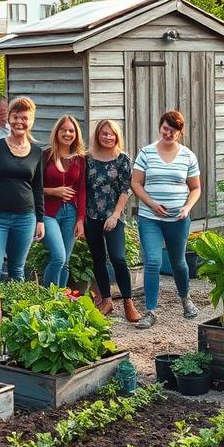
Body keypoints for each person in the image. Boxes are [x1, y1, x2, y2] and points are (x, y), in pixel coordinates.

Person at [130, 110, 201, 329]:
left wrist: (187, 207)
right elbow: (136, 183)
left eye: (174, 130)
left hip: (178, 219)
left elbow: (195, 188)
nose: (168, 133)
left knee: (178, 262)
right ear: (160, 127)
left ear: (180, 133)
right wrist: (151, 203)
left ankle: (185, 299)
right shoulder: (146, 153)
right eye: (165, 128)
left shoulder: (188, 156)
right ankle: (150, 311)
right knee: (152, 260)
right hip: (150, 217)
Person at [0, 97, 45, 281]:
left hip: (25, 218)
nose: (19, 122)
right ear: (9, 118)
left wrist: (40, 219)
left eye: (24, 118)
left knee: (17, 271)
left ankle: (13, 310)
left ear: (31, 121)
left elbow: (38, 187)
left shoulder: (37, 152)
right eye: (15, 117)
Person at [85, 119, 140, 322]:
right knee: (98, 259)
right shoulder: (87, 159)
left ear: (116, 136)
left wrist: (115, 215)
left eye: (111, 134)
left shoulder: (122, 159)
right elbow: (84, 188)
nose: (108, 137)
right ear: (98, 135)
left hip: (114, 217)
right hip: (92, 216)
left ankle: (128, 302)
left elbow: (125, 189)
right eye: (104, 133)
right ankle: (106, 301)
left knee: (118, 258)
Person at [41, 115, 86, 288]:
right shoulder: (45, 155)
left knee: (65, 261)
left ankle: (60, 303)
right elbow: (34, 187)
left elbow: (82, 190)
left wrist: (81, 219)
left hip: (71, 213)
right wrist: (54, 191)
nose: (67, 133)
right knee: (58, 257)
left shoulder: (80, 158)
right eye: (64, 130)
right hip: (49, 212)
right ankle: (48, 297)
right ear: (57, 132)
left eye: (71, 130)